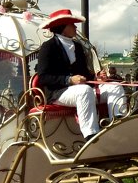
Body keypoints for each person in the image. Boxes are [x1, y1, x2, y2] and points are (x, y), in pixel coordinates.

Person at [35, 9, 127, 138]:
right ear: (63, 27)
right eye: (71, 24)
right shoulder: (48, 47)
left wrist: (96, 77)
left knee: (115, 87)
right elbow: (43, 77)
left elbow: (84, 75)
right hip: (58, 94)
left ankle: (119, 123)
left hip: (82, 91)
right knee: (84, 91)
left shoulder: (78, 47)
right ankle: (91, 134)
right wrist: (69, 80)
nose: (75, 26)